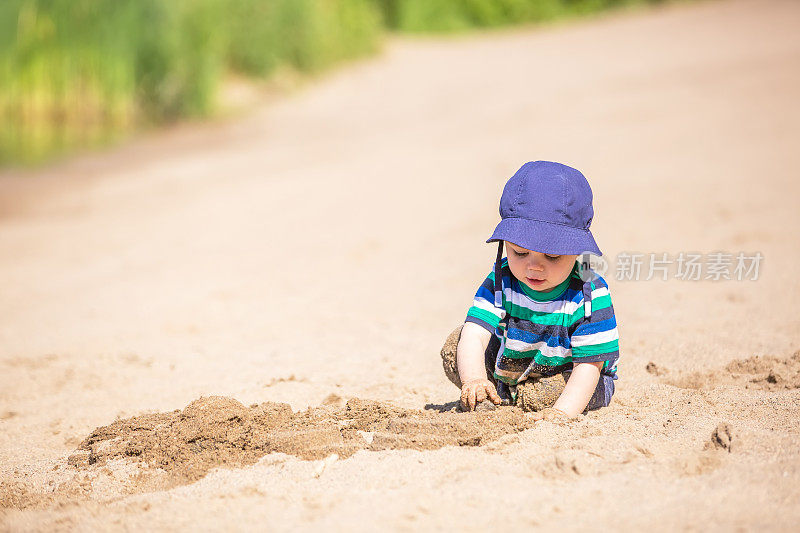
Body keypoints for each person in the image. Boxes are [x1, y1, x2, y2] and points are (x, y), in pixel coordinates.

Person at [440, 161, 619, 420]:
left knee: (549, 393)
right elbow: (475, 333)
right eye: (520, 252)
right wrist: (476, 379)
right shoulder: (502, 279)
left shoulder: (589, 293)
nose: (534, 267)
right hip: (513, 366)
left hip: (572, 376)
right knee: (456, 345)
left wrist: (562, 412)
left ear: (577, 251)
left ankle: (530, 398)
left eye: (553, 256)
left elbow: (590, 365)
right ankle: (491, 396)